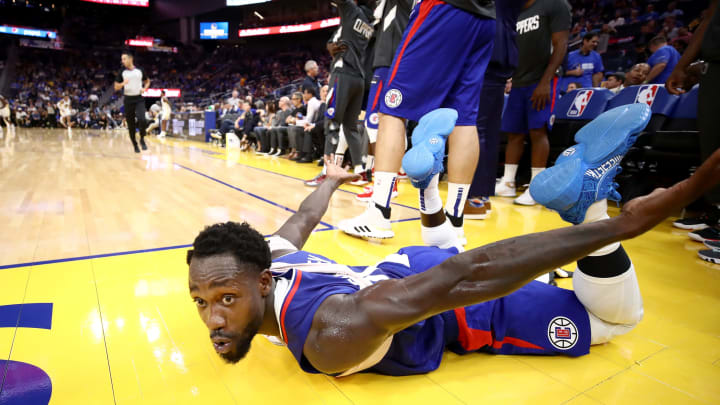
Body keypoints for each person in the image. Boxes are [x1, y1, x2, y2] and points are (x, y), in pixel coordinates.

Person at [187, 109, 720, 376]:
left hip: (451, 308)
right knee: (443, 253)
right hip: (408, 264)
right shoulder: (270, 255)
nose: (213, 320)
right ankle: (426, 190)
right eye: (204, 304)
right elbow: (301, 220)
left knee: (613, 324)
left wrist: (617, 226)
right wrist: (330, 180)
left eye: (225, 300)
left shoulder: (330, 334)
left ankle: (592, 205)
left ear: (260, 282)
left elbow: (468, 276)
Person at [337, 0, 497, 245]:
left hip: (443, 9)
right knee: (463, 118)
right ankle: (454, 222)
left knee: (392, 107)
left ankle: (379, 212)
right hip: (486, 16)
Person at [496, 0, 572, 207]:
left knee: (537, 131)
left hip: (543, 80)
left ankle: (536, 188)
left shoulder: (554, 4)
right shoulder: (515, 11)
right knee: (514, 133)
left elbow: (561, 44)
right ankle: (508, 182)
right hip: (520, 81)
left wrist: (546, 80)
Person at [665, 0, 720, 263]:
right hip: (714, 66)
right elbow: (709, 19)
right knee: (711, 145)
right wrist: (683, 65)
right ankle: (717, 215)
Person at [465, 0, 526, 220]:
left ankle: (473, 197)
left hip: (488, 53)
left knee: (476, 128)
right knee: (489, 131)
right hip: (502, 52)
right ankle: (481, 195)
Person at [355, 0, 414, 197]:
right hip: (397, 61)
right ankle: (394, 176)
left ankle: (383, 182)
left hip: (389, 62)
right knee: (395, 121)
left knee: (375, 122)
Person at [316, 0, 374, 184]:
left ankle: (328, 172)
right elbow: (336, 42)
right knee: (350, 127)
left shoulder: (351, 10)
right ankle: (361, 171)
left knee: (332, 122)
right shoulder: (369, 22)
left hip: (343, 74)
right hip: (359, 79)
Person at [114, 51, 151, 153]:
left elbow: (147, 81)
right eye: (122, 59)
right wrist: (123, 83)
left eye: (124, 59)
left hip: (139, 98)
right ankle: (135, 144)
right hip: (128, 99)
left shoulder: (140, 71)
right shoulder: (122, 72)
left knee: (142, 119)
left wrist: (145, 88)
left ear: (131, 59)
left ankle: (142, 139)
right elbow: (116, 87)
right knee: (131, 125)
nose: (122, 61)